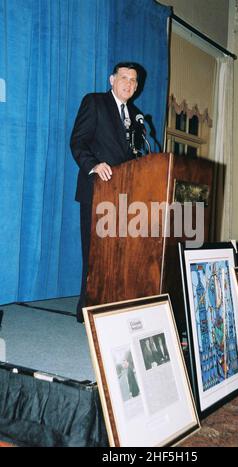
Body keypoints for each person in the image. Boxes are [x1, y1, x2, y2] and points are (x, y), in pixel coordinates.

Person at [70, 62, 145, 322]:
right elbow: (78, 141)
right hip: (97, 189)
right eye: (124, 77)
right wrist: (93, 165)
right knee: (93, 251)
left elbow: (136, 156)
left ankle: (111, 304)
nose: (129, 83)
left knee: (117, 253)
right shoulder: (95, 102)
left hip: (124, 194)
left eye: (134, 80)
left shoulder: (136, 116)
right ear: (112, 79)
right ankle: (87, 308)